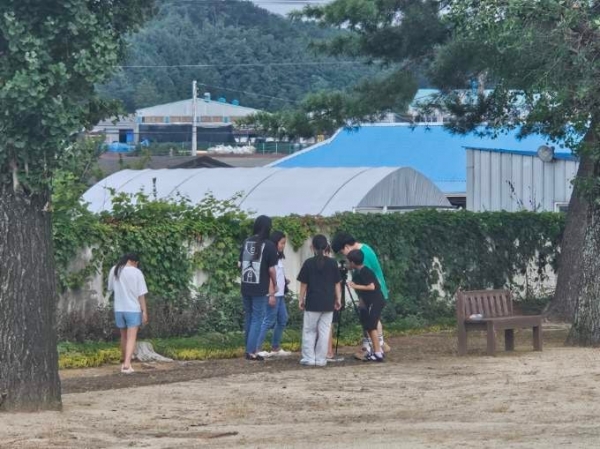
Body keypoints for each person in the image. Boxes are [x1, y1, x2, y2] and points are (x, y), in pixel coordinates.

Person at [331, 232, 390, 360]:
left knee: (370, 320)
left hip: (373, 293)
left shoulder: (363, 255)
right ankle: (378, 345)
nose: (344, 256)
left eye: (342, 252)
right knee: (373, 319)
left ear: (346, 247)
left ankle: (371, 347)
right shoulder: (364, 249)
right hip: (373, 292)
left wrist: (356, 287)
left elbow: (368, 280)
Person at [297, 234, 342, 367]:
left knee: (309, 331)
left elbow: (304, 284)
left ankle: (309, 358)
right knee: (324, 331)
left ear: (313, 247)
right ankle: (321, 359)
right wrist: (338, 299)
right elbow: (337, 283)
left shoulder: (308, 263)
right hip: (328, 302)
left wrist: (301, 299)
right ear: (327, 247)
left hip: (313, 302)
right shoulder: (333, 263)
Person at [240, 215, 278, 361]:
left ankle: (248, 349)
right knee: (257, 318)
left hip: (246, 284)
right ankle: (251, 351)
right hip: (260, 286)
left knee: (249, 316)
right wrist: (275, 283)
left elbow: (239, 263)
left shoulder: (246, 242)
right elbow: (271, 269)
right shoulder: (268, 245)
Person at [107, 253, 149, 374]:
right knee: (131, 338)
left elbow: (111, 288)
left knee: (123, 336)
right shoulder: (137, 273)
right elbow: (141, 295)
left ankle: (124, 360)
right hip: (133, 309)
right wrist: (144, 311)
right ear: (134, 262)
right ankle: (126, 365)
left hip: (119, 308)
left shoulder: (114, 269)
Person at [256, 231, 291, 358]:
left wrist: (284, 281)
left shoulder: (278, 257)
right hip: (273, 294)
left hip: (280, 294)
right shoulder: (271, 256)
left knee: (283, 319)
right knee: (268, 320)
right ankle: (257, 348)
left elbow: (277, 274)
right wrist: (271, 295)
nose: (283, 246)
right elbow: (269, 275)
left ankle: (275, 347)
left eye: (284, 243)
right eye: (282, 243)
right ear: (275, 242)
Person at [346, 249, 386, 362]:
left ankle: (378, 353)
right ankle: (377, 350)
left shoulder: (365, 271)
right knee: (369, 326)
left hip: (376, 301)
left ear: (352, 262)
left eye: (348, 262)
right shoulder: (358, 273)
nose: (348, 264)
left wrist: (355, 286)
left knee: (372, 326)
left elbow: (371, 287)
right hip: (369, 301)